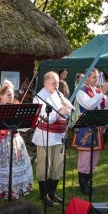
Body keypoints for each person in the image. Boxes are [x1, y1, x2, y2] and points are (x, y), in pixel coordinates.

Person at [0, 80, 33, 205]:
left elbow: (24, 128)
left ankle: (12, 197)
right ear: (1, 95)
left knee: (13, 170)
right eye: (9, 94)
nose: (12, 97)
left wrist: (28, 122)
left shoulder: (16, 106)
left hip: (14, 143)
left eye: (12, 94)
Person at [32, 71, 73, 207]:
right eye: (54, 83)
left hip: (59, 136)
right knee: (44, 166)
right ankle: (44, 195)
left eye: (57, 82)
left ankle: (52, 192)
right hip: (45, 136)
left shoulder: (59, 94)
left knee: (57, 166)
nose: (57, 85)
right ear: (45, 83)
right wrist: (60, 112)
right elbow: (45, 119)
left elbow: (69, 108)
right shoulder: (39, 97)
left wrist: (68, 109)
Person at [72, 68, 107, 195]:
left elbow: (102, 106)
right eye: (94, 77)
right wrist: (102, 93)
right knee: (85, 157)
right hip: (85, 127)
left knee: (95, 156)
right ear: (87, 78)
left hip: (97, 127)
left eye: (97, 77)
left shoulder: (97, 90)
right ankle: (83, 184)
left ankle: (88, 180)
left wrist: (106, 95)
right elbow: (90, 105)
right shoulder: (80, 91)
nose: (97, 80)